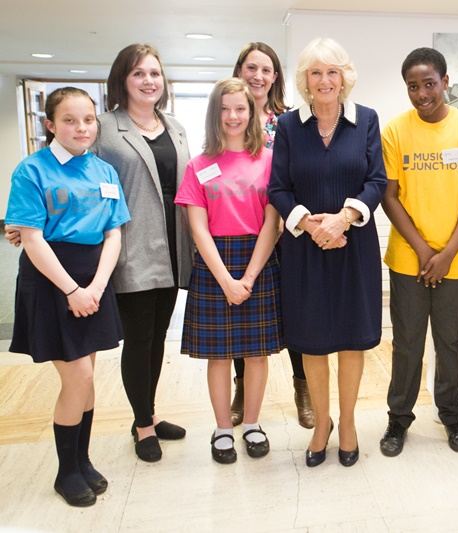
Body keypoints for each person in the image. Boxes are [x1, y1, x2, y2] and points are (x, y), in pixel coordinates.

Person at [6, 87, 130, 506]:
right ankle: (65, 472)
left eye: (88, 120)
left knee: (87, 376)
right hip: (52, 280)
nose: (81, 128)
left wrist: (96, 286)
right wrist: (73, 291)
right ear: (50, 124)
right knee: (78, 378)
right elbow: (31, 238)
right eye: (70, 120)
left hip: (94, 279)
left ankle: (82, 460)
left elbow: (114, 233)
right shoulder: (32, 170)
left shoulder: (104, 171)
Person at [268, 38, 387, 468]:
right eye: (315, 72)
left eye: (332, 72)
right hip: (305, 249)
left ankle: (349, 423)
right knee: (313, 342)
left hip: (353, 246)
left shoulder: (366, 120)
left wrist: (342, 219)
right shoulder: (288, 125)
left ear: (344, 77)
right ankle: (323, 424)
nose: (324, 80)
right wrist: (311, 225)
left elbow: (377, 181)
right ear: (305, 79)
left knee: (352, 339)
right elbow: (278, 188)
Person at [380, 47, 458, 457]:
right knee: (407, 344)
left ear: (445, 82)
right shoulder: (395, 130)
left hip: (455, 259)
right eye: (413, 86)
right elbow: (389, 196)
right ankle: (398, 420)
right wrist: (422, 249)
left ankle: (451, 416)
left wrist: (446, 254)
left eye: (429, 84)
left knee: (450, 342)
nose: (422, 94)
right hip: (407, 258)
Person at [94, 44, 194, 462]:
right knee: (138, 338)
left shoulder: (175, 127)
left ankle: (149, 413)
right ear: (122, 80)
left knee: (157, 338)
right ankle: (142, 425)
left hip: (173, 244)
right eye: (138, 73)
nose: (148, 81)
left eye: (154, 73)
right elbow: (77, 177)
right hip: (131, 244)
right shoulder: (103, 127)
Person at [175, 78, 282, 464]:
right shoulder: (199, 165)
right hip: (213, 264)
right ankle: (223, 429)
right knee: (218, 357)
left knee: (257, 354)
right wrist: (225, 280)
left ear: (252, 113)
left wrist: (248, 278)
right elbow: (198, 228)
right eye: (224, 108)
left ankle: (251, 424)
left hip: (259, 259)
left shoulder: (270, 160)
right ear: (214, 114)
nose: (233, 116)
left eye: (240, 108)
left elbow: (272, 223)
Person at [229, 42, 314, 430]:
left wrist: (288, 217)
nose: (258, 76)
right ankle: (242, 390)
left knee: (296, 309)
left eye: (266, 70)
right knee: (241, 310)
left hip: (288, 230)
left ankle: (303, 388)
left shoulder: (290, 121)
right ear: (239, 71)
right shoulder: (229, 118)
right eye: (251, 68)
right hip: (243, 231)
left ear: (276, 77)